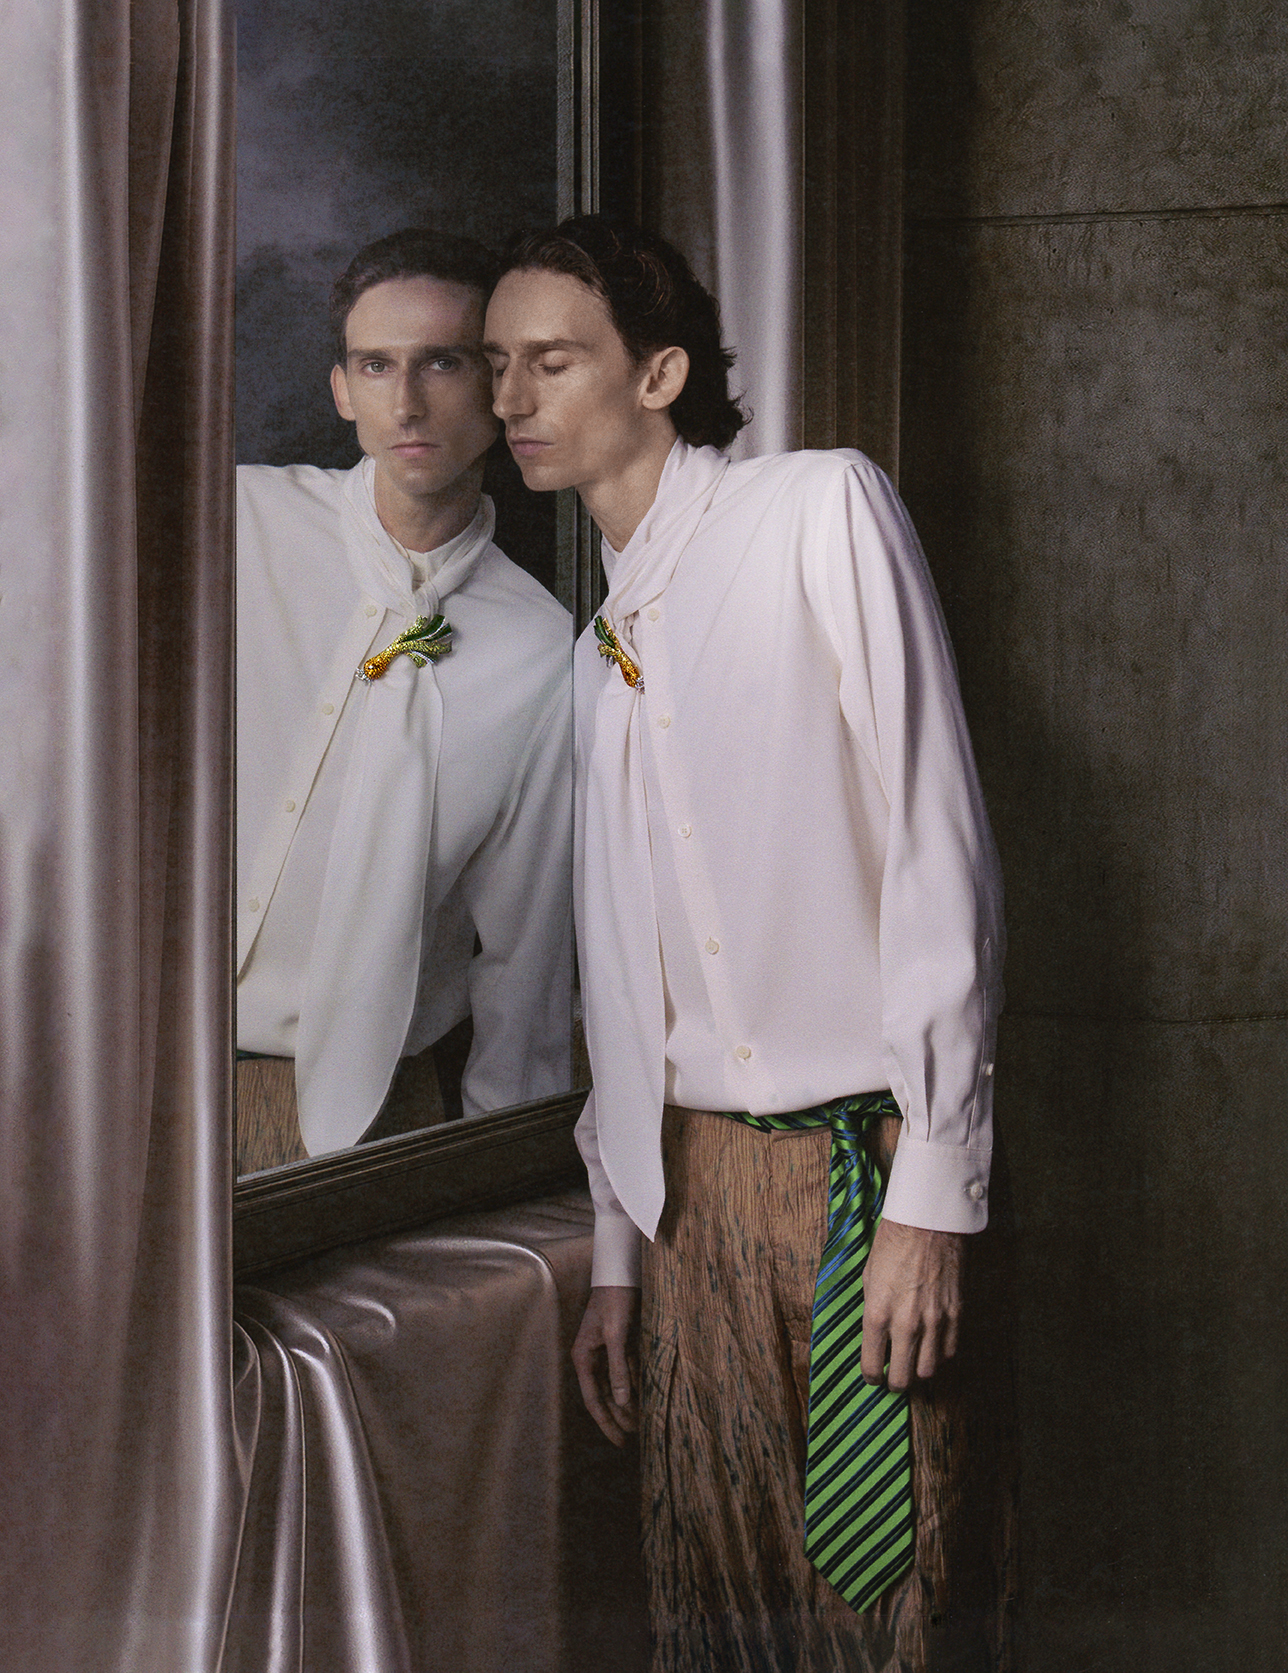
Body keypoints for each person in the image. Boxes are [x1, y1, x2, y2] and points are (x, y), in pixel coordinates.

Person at [484, 216, 1017, 1671]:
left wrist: (933, 1193)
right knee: (717, 1611)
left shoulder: (815, 509)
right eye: (498, 363)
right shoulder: (597, 659)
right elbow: (619, 974)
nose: (511, 397)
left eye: (551, 360)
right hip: (694, 1202)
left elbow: (937, 848)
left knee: (895, 1608)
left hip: (865, 1176)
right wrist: (618, 1248)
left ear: (659, 374)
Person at [236, 229, 572, 1173]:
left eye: (443, 363)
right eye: (376, 365)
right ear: (341, 389)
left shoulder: (543, 651)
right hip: (133, 1081)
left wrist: (502, 1176)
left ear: (498, 385)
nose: (407, 401)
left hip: (374, 1121)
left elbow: (525, 960)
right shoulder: (233, 524)